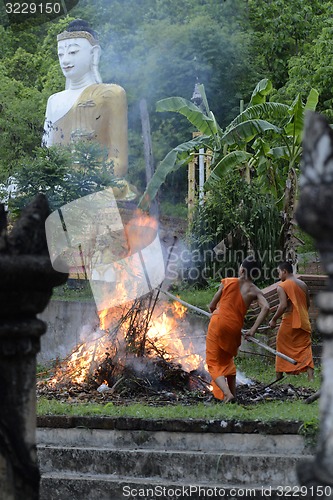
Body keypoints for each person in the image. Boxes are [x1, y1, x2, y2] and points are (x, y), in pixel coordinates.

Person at [43, 19, 134, 199]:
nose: (66, 60)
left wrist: (85, 178)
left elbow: (119, 161)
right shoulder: (54, 100)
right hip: (59, 182)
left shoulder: (112, 94)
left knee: (118, 189)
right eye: (61, 54)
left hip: (96, 181)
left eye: (73, 52)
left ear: (94, 54)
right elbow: (46, 155)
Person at [206, 256, 270, 403]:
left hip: (218, 322)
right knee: (227, 358)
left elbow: (211, 305)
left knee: (213, 362)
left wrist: (214, 312)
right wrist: (253, 329)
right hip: (235, 327)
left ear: (241, 269)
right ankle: (234, 394)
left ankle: (227, 394)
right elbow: (266, 307)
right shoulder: (255, 290)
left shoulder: (228, 282)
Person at [269, 261, 314, 381]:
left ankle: (278, 375)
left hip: (289, 320)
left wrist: (273, 320)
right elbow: (307, 304)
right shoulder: (302, 284)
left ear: (284, 271)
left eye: (279, 272)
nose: (278, 275)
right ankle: (311, 377)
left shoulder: (282, 286)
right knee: (305, 346)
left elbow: (283, 305)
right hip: (303, 320)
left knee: (281, 344)